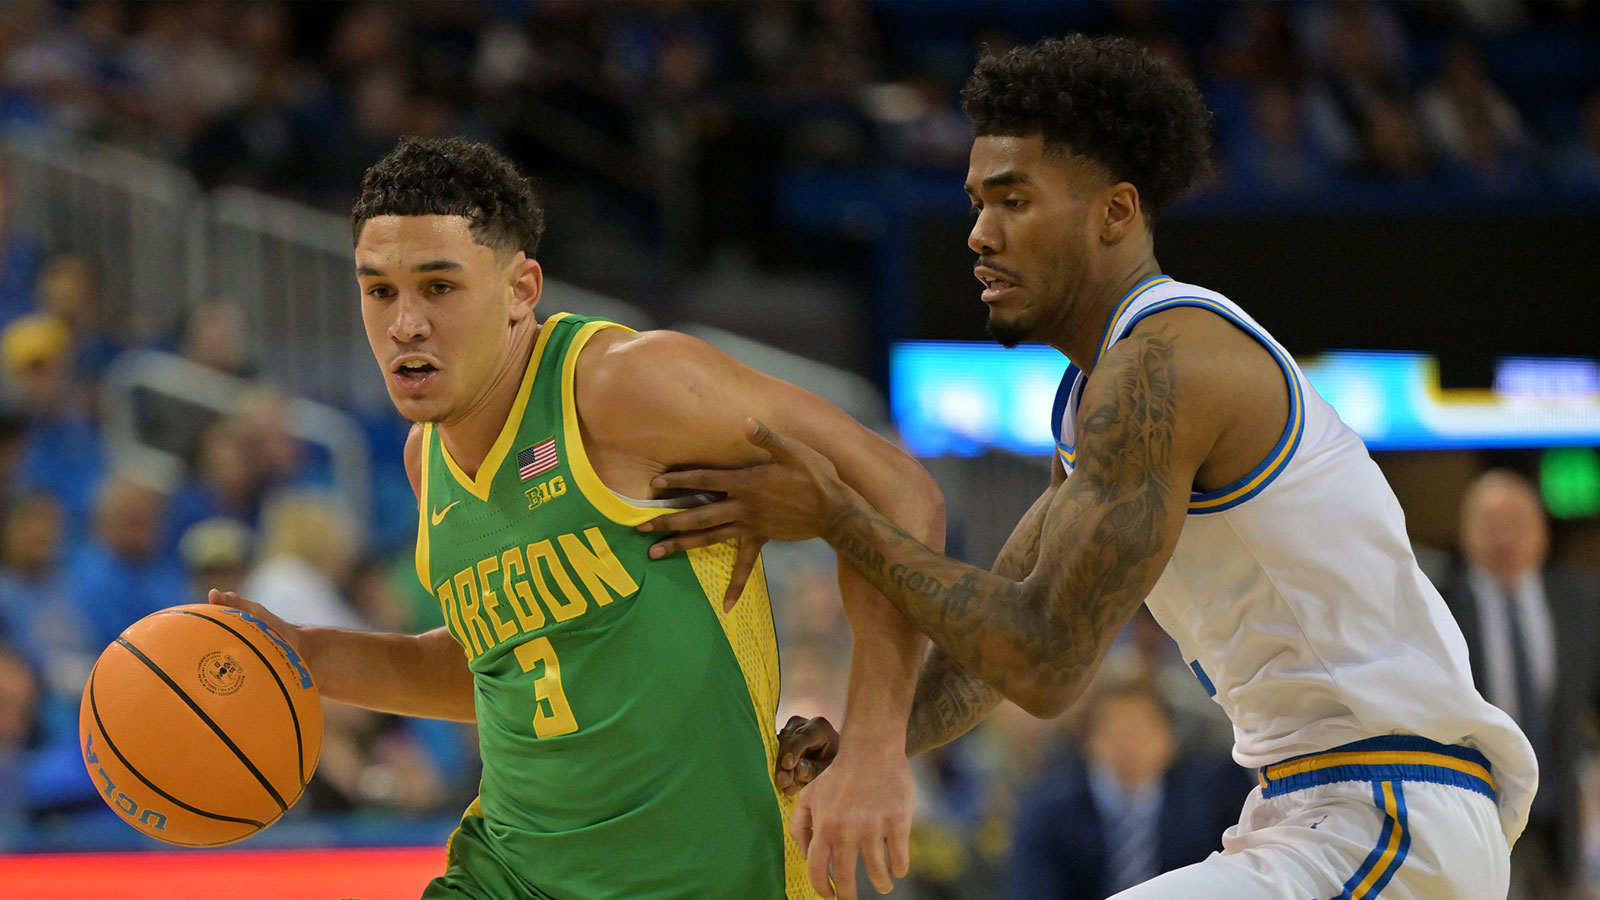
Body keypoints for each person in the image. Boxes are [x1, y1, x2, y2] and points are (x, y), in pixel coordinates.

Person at [642, 35, 1538, 900]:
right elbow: (993, 647)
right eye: (975, 204)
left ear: (1116, 210)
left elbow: (1043, 663)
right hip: (1313, 805)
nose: (979, 235)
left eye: (1014, 201)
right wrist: (861, 740)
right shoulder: (1100, 393)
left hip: (1386, 807)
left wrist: (837, 515)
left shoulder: (1168, 365)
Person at [210, 136, 943, 900]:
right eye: (381, 291)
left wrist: (874, 744)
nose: (405, 325)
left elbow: (896, 490)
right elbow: (501, 666)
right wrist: (305, 657)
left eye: (439, 287)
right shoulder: (423, 462)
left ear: (522, 288)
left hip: (716, 872)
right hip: (511, 875)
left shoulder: (621, 386)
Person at [1439, 470, 1600, 900]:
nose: (1505, 539)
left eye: (1518, 525)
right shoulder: (1435, 610)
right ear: (1465, 532)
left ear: (1543, 533)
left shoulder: (1583, 604)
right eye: (1491, 526)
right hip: (1474, 816)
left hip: (1559, 821)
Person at [1005, 678, 1254, 900]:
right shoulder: (1048, 810)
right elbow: (1032, 887)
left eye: (1141, 731)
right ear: (1089, 742)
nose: (1130, 746)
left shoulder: (1207, 800)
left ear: (1169, 740)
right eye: (1116, 733)